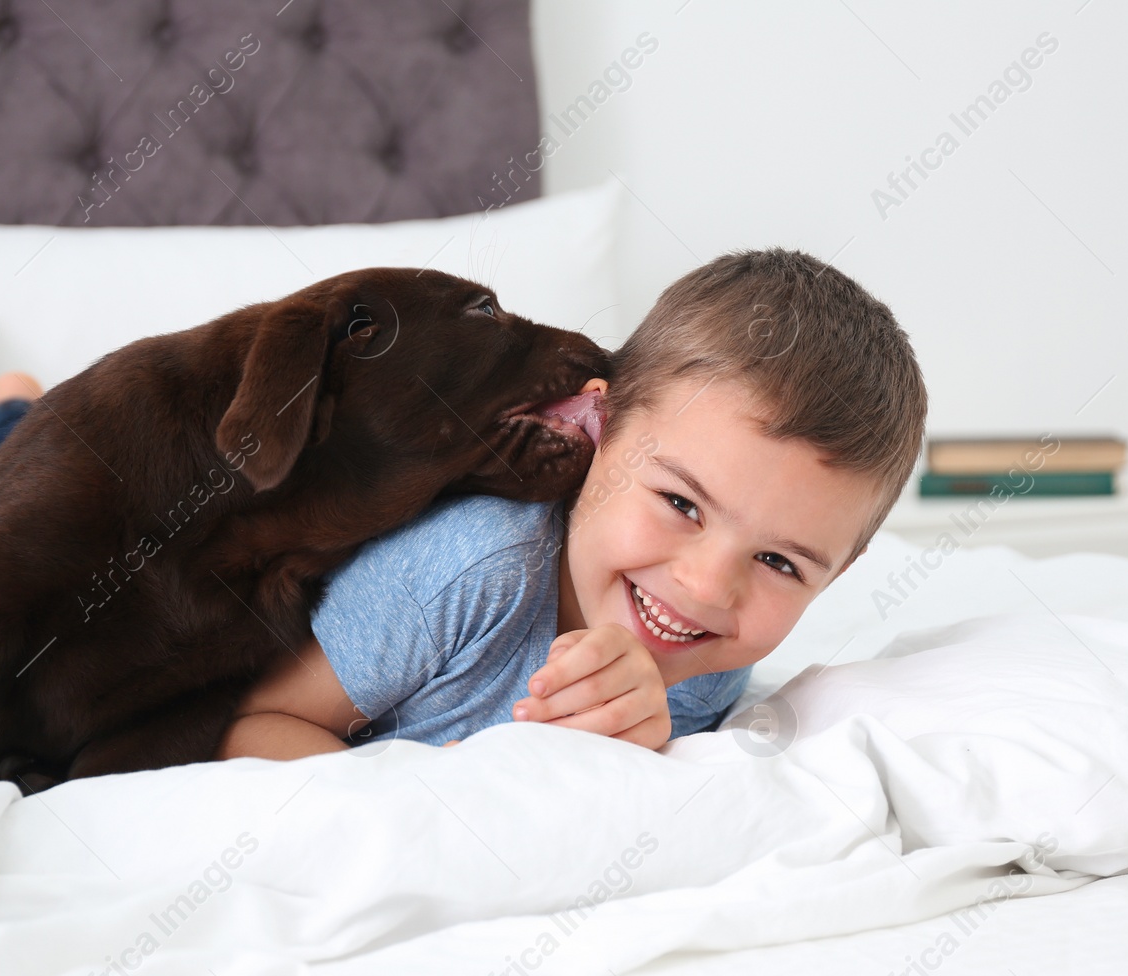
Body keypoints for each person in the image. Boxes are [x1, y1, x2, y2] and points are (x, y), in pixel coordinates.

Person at [211, 248, 929, 758]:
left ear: (838, 571)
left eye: (778, 560)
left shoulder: (713, 664)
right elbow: (247, 725)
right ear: (598, 432)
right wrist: (427, 803)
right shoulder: (473, 567)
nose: (708, 587)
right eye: (681, 503)